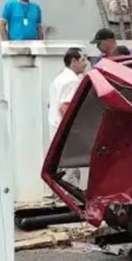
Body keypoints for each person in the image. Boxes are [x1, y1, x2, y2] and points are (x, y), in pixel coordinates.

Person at [48, 48, 86, 186]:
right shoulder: (72, 81)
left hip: (55, 129)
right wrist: (75, 131)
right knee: (70, 173)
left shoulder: (59, 79)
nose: (86, 63)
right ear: (73, 61)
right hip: (66, 133)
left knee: (61, 169)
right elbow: (65, 107)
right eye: (83, 60)